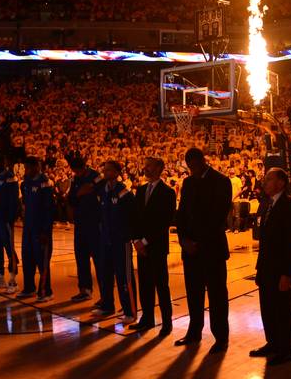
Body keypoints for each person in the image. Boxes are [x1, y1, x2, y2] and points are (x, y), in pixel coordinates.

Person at [174, 148, 233, 353]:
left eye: (194, 166)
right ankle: (194, 331)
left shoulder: (221, 181)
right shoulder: (188, 182)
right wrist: (183, 240)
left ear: (202, 161)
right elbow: (181, 214)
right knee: (193, 293)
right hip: (190, 249)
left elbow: (218, 216)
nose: (192, 170)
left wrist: (197, 241)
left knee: (217, 295)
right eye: (189, 167)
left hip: (211, 247)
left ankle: (221, 337)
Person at [250, 167, 291, 366]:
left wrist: (287, 273)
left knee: (284, 310)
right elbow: (265, 241)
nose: (264, 182)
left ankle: (287, 349)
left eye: (268, 179)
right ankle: (272, 343)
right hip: (266, 268)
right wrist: (259, 269)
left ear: (281, 183)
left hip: (282, 269)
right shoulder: (267, 204)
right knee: (268, 308)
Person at [128, 156, 176, 335]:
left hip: (156, 246)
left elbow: (164, 222)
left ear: (159, 168)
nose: (145, 168)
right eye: (145, 165)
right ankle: (147, 319)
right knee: (145, 285)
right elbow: (134, 218)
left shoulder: (168, 192)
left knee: (161, 286)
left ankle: (166, 323)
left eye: (149, 166)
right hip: (141, 246)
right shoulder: (140, 190)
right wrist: (136, 240)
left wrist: (145, 241)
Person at [94, 161, 136, 322]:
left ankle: (130, 311)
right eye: (104, 170)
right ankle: (107, 306)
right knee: (105, 274)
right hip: (105, 240)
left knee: (124, 276)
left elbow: (132, 216)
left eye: (109, 170)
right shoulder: (103, 191)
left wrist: (127, 235)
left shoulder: (124, 192)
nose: (106, 173)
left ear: (117, 172)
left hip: (121, 241)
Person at [18, 157, 55, 302]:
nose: (25, 170)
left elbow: (49, 208)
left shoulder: (44, 183)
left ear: (36, 167)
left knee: (42, 261)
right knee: (27, 259)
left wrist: (46, 230)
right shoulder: (27, 182)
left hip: (40, 229)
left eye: (28, 168)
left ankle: (46, 291)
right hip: (28, 227)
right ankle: (29, 288)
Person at [66, 153, 102, 303]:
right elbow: (71, 199)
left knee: (100, 261)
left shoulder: (97, 177)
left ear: (84, 167)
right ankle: (84, 290)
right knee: (81, 258)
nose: (77, 173)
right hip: (80, 224)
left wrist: (90, 190)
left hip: (95, 225)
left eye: (78, 170)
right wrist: (80, 193)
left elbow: (103, 195)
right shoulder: (75, 179)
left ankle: (105, 294)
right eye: (75, 171)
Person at [0, 163, 21, 291]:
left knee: (9, 249)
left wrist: (11, 217)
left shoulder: (10, 177)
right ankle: (0, 277)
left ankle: (13, 280)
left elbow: (14, 199)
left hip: (5, 219)